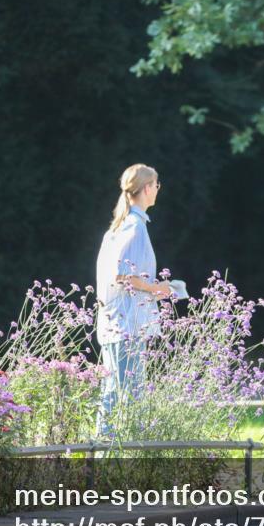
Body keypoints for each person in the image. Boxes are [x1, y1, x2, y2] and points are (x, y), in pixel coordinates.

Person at [95, 164, 172, 435]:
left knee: (117, 393)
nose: (158, 190)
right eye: (156, 185)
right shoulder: (134, 226)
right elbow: (122, 274)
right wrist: (156, 289)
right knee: (123, 395)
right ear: (147, 188)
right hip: (125, 325)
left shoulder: (121, 226)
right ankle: (108, 453)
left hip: (118, 323)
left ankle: (106, 452)